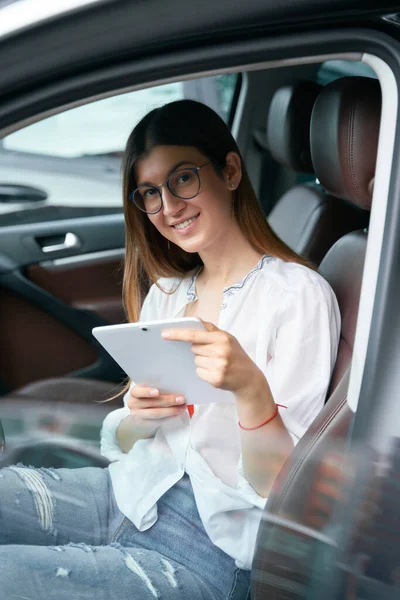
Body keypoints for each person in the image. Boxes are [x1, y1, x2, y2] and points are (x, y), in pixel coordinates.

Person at [0, 99, 340, 600]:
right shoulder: (167, 294)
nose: (169, 207)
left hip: (208, 547)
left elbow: (282, 491)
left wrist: (250, 391)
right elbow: (134, 441)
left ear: (229, 170)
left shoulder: (299, 295)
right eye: (150, 193)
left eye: (182, 178)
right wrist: (139, 413)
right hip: (127, 494)